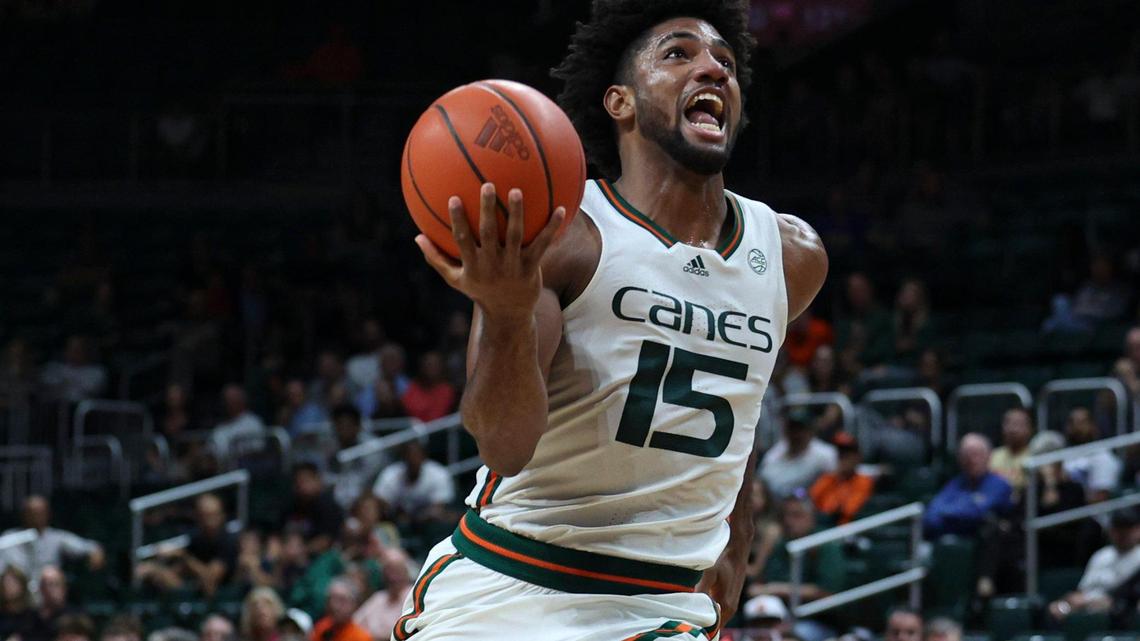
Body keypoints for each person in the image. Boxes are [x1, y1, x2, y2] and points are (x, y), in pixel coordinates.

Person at [402, 1, 827, 638]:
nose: (713, 69)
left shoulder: (792, 256)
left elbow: (737, 401)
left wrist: (736, 525)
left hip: (660, 603)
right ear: (620, 102)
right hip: (515, 584)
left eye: (726, 62)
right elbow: (503, 445)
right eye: (678, 54)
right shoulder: (566, 237)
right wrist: (506, 311)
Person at [133, 493, 237, 597]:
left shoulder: (228, 541)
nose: (207, 520)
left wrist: (182, 555)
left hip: (221, 595)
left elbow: (210, 578)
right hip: (196, 594)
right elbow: (181, 571)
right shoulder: (197, 539)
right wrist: (155, 569)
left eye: (211, 515)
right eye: (202, 515)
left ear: (222, 515)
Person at [1048, 509, 1140, 622]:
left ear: (1137, 530)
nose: (1122, 534)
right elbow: (1082, 589)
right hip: (1084, 605)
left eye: (1127, 529)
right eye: (1118, 528)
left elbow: (1129, 597)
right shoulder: (1101, 555)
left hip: (1116, 609)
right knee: (1054, 609)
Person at [923, 433, 1013, 539]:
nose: (971, 460)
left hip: (988, 548)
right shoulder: (956, 482)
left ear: (988, 457)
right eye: (966, 455)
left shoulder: (999, 484)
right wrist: (967, 504)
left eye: (976, 454)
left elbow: (976, 513)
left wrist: (947, 513)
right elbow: (931, 514)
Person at [1, 495, 105, 582]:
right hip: (17, 594)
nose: (36, 516)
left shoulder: (57, 537)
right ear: (23, 515)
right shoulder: (9, 537)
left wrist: (95, 551)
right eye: (31, 512)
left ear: (48, 514)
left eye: (40, 512)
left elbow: (89, 547)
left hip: (47, 592)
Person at [372, 440, 455, 529]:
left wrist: (417, 517)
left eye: (416, 456)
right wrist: (393, 511)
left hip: (428, 521)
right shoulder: (391, 474)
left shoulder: (438, 474)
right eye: (409, 456)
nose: (413, 460)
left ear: (424, 457)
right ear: (403, 458)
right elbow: (378, 500)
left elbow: (439, 507)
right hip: (397, 520)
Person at [760, 414, 838, 499]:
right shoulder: (775, 453)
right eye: (793, 429)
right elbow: (763, 479)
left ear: (810, 431)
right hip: (776, 503)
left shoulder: (825, 454)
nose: (796, 434)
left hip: (812, 504)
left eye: (801, 429)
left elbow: (836, 481)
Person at [279, 462, 344, 556]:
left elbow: (325, 540)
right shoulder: (290, 505)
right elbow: (278, 533)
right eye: (298, 482)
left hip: (320, 558)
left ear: (317, 481)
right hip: (289, 554)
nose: (302, 486)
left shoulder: (329, 507)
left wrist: (301, 551)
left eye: (306, 481)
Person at [809, 432, 874, 525]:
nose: (843, 459)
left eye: (847, 455)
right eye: (841, 455)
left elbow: (849, 510)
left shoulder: (863, 480)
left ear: (857, 457)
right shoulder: (828, 478)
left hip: (847, 528)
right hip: (822, 526)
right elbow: (812, 499)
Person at [1063, 407, 1122, 503]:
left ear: (1093, 426)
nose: (1076, 427)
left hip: (1089, 515)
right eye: (1072, 423)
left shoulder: (1103, 458)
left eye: (1082, 422)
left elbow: (1101, 499)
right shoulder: (1063, 455)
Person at [352, 548, 413, 639]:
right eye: (389, 570)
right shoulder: (378, 598)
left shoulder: (413, 596)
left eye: (397, 570)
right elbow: (354, 623)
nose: (393, 576)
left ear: (406, 572)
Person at [38, 335, 107, 403]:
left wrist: (67, 382)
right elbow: (45, 387)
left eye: (78, 349)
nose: (74, 353)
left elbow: (91, 390)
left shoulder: (96, 372)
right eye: (71, 349)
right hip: (54, 408)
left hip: (79, 409)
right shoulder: (53, 367)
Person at [399, 351, 457, 422]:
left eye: (435, 365)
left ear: (441, 367)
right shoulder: (411, 388)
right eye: (429, 365)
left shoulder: (447, 390)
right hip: (414, 430)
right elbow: (409, 410)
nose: (431, 369)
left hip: (439, 431)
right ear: (422, 367)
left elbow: (436, 417)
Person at [989, 407, 1034, 495]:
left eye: (1018, 424)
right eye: (1008, 423)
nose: (1013, 429)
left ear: (1030, 429)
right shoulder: (992, 456)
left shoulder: (1036, 457)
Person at [212, 385, 266, 453]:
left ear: (242, 400)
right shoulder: (219, 428)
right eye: (226, 400)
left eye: (232, 399)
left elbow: (258, 449)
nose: (228, 403)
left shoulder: (253, 422)